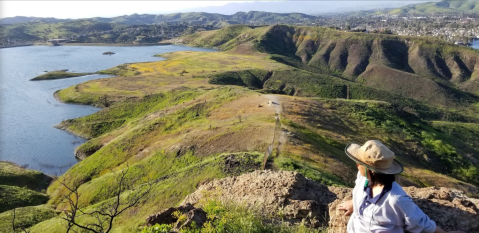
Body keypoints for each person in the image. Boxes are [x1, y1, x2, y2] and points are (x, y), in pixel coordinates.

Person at [337, 140, 465, 233]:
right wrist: (356, 202)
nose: (356, 165)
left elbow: (421, 223)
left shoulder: (395, 199)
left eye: (360, 163)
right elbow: (361, 192)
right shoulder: (363, 178)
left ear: (372, 170)